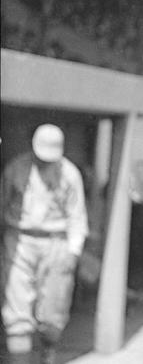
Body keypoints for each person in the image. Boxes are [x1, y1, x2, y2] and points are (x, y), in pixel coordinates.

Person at [1, 124, 88, 364]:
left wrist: (73, 251)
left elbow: (77, 216)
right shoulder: (16, 168)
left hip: (56, 243)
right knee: (17, 313)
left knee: (52, 313)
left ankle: (48, 355)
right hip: (20, 240)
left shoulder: (69, 174)